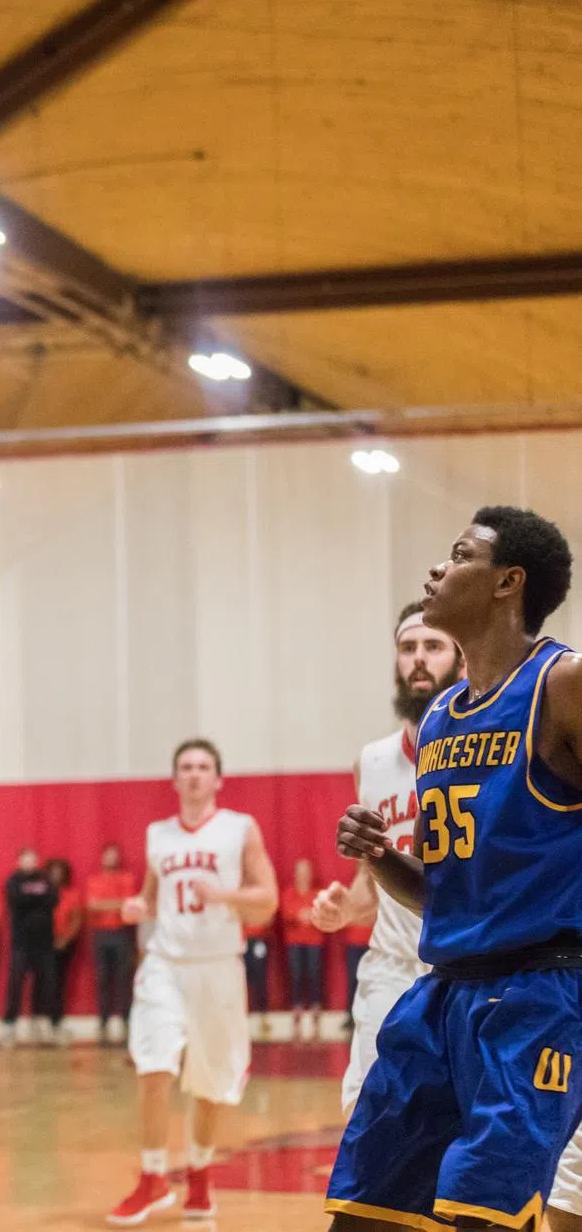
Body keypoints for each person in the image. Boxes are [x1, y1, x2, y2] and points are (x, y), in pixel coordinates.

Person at [325, 508, 582, 1232]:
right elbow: (443, 891)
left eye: (459, 554)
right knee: (362, 1207)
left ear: (508, 581)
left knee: (485, 1215)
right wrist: (379, 857)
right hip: (443, 994)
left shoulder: (562, 684)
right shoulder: (441, 717)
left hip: (540, 992)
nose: (437, 568)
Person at [107, 739, 278, 1227]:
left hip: (219, 965)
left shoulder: (239, 829)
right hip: (166, 963)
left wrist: (223, 894)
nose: (195, 774)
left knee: (209, 1079)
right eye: (186, 767)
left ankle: (199, 1176)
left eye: (204, 767)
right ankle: (153, 1176)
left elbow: (267, 900)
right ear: (174, 779)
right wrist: (139, 907)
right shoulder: (157, 834)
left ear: (218, 779)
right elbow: (150, 894)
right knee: (153, 1063)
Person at [308, 604, 459, 1111]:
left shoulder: (488, 749)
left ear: (461, 658)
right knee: (365, 1118)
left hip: (464, 969)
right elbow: (371, 884)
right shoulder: (371, 761)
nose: (419, 659)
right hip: (391, 968)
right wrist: (343, 910)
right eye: (408, 648)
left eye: (433, 646)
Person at [0, 848, 58, 1046]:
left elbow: (52, 900)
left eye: (33, 858)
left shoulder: (46, 879)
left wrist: (32, 897)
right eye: (26, 859)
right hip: (21, 943)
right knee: (15, 984)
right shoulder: (13, 880)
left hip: (44, 943)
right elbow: (16, 901)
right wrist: (36, 897)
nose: (30, 862)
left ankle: (43, 1023)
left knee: (46, 984)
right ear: (19, 861)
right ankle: (9, 1025)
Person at [86, 844, 135, 1044]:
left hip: (122, 934)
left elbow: (129, 903)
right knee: (103, 978)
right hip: (101, 934)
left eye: (114, 855)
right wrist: (116, 903)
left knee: (124, 979)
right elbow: (91, 906)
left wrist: (105, 904)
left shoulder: (127, 878)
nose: (110, 859)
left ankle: (126, 1020)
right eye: (107, 855)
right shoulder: (94, 881)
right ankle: (104, 1021)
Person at [280, 858, 325, 1041]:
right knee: (296, 974)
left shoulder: (317, 894)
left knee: (314, 975)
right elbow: (286, 912)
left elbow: (321, 914)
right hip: (294, 941)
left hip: (314, 941)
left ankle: (315, 1010)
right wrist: (301, 915)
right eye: (300, 871)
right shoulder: (289, 893)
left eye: (306, 871)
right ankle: (296, 1010)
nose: (303, 875)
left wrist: (306, 915)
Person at [47, 858, 82, 1046]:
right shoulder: (43, 893)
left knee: (59, 983)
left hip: (64, 945)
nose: (56, 875)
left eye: (60, 872)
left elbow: (76, 919)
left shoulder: (71, 894)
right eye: (53, 871)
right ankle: (45, 1021)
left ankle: (57, 1020)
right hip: (44, 945)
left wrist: (64, 939)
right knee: (46, 984)